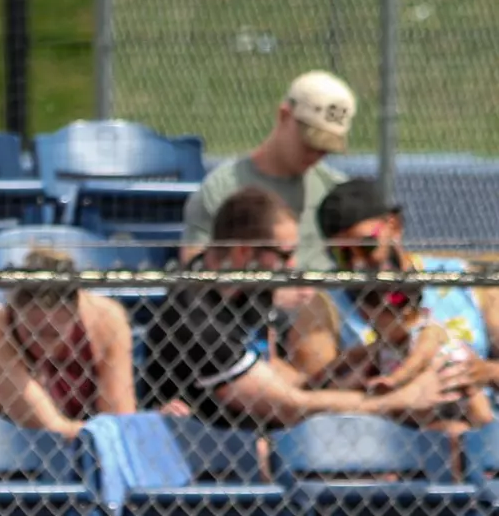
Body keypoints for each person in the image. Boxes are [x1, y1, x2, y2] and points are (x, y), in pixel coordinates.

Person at [143, 186, 460, 429]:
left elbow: (278, 375)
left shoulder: (247, 288)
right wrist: (399, 400)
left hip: (256, 432)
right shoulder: (196, 321)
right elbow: (290, 406)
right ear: (242, 253)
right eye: (284, 255)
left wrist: (361, 361)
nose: (292, 266)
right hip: (211, 448)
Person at [307, 180, 494, 432]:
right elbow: (316, 396)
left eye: (366, 246)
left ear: (394, 226)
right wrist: (387, 395)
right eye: (342, 254)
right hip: (383, 432)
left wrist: (484, 372)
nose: (357, 264)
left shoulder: (461, 279)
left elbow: (424, 352)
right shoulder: (324, 303)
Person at [181, 71, 353, 270]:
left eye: (324, 149)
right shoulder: (222, 188)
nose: (316, 154)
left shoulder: (335, 191)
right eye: (309, 143)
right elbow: (195, 268)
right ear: (284, 115)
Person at [0, 249, 136, 440]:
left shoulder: (106, 321)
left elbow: (121, 421)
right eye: (33, 333)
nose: (42, 346)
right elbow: (51, 429)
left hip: (85, 451)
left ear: (75, 314)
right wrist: (105, 436)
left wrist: (111, 436)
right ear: (15, 311)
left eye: (54, 335)